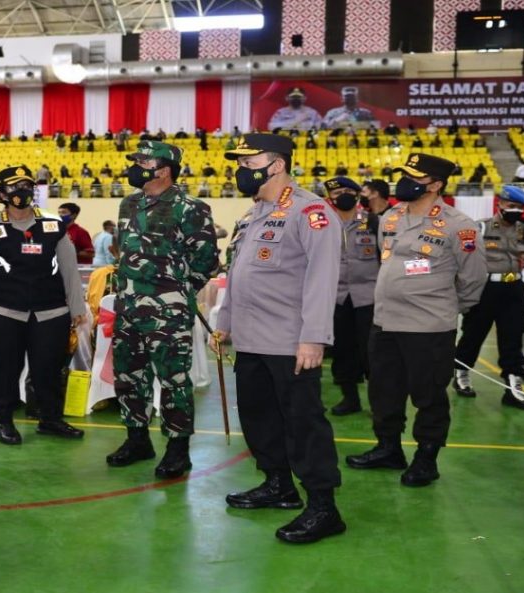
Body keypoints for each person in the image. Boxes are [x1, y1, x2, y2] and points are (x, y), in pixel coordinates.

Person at [212, 133, 345, 544]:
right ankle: (278, 484)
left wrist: (314, 338)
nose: (241, 169)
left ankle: (323, 507)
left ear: (278, 165)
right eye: (240, 162)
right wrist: (226, 320)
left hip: (291, 342)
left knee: (304, 424)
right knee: (259, 418)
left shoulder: (311, 212)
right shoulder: (251, 216)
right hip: (250, 340)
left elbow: (323, 280)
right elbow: (237, 276)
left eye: (250, 162)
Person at [346, 153, 487, 487]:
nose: (403, 182)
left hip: (428, 327)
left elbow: (473, 280)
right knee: (383, 391)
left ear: (435, 185)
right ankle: (388, 448)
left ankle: (426, 457)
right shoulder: (392, 216)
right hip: (384, 323)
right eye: (403, 175)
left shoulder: (459, 225)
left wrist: (445, 307)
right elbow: (388, 261)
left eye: (413, 177)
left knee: (429, 395)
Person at [105, 140, 218, 479]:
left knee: (174, 380)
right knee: (128, 376)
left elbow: (206, 260)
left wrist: (177, 293)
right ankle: (137, 439)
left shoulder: (189, 207)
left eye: (142, 160)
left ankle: (177, 449)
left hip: (168, 312)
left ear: (163, 169)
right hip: (128, 306)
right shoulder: (129, 204)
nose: (135, 165)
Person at [0, 165, 87, 445]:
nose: (23, 192)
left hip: (51, 311)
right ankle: (4, 421)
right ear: (2, 193)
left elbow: (69, 268)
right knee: (6, 368)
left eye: (28, 186)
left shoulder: (54, 225)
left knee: (49, 368)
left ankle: (51, 419)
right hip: (4, 312)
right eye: (16, 187)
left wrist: (77, 307)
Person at [452, 186, 524, 410]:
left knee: (512, 340)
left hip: (513, 288)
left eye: (519, 207)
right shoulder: (481, 227)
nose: (515, 210)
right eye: (511, 205)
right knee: (472, 335)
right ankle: (461, 375)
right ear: (500, 203)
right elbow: (466, 258)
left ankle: (512, 389)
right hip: (485, 289)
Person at [324, 177, 379, 416]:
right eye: (337, 193)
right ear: (330, 198)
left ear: (358, 195)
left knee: (373, 352)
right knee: (342, 351)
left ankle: (379, 402)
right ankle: (350, 398)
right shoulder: (323, 225)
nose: (342, 196)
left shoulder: (374, 222)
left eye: (348, 191)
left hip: (369, 297)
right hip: (336, 298)